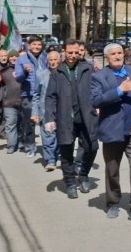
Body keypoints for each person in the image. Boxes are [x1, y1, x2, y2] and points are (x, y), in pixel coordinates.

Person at [91, 43, 131, 221]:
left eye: (119, 53)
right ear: (106, 58)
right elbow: (95, 101)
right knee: (112, 169)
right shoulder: (98, 76)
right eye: (113, 54)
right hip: (112, 131)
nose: (117, 56)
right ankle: (113, 203)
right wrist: (119, 90)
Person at [44, 40, 99, 199]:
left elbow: (97, 88)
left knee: (92, 147)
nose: (74, 55)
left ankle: (84, 174)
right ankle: (70, 183)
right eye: (70, 52)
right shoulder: (57, 72)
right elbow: (50, 97)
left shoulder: (88, 69)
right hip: (65, 118)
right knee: (66, 151)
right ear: (64, 51)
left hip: (86, 116)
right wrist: (49, 118)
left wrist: (99, 104)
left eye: (76, 52)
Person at [15, 36, 49, 158]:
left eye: (39, 44)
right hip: (28, 95)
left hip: (45, 94)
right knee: (29, 123)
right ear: (29, 46)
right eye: (34, 44)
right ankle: (30, 147)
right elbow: (18, 78)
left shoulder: (46, 57)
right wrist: (25, 72)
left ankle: (49, 149)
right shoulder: (21, 59)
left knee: (48, 121)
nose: (37, 47)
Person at [31, 51, 62, 170]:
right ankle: (50, 159)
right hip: (45, 111)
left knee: (60, 135)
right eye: (50, 60)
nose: (53, 62)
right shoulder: (41, 74)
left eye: (55, 60)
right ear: (47, 61)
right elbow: (36, 94)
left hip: (61, 110)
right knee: (48, 135)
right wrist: (35, 113)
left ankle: (58, 155)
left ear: (59, 60)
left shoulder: (63, 73)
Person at [0, 51, 24, 154]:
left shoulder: (25, 69)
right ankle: (11, 145)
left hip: (23, 101)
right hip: (9, 102)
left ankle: (21, 141)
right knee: (10, 124)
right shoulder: (4, 71)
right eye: (11, 56)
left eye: (16, 56)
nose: (14, 58)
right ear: (8, 58)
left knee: (21, 124)